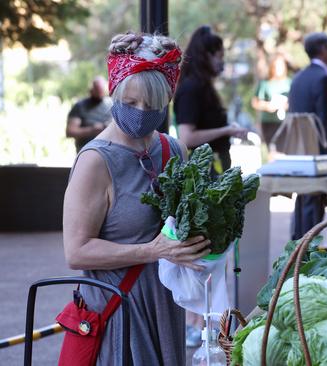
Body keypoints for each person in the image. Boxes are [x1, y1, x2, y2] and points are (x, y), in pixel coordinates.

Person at [62, 32, 212, 365]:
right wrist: (151, 250)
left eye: (153, 105)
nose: (142, 113)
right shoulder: (95, 162)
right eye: (130, 103)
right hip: (118, 313)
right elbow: (76, 252)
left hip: (165, 307)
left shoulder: (171, 149)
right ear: (115, 92)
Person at [174, 25, 248, 173]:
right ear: (206, 55)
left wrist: (227, 129)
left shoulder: (203, 86)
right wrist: (226, 130)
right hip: (204, 172)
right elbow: (187, 138)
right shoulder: (191, 89)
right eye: (219, 57)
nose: (222, 62)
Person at [287, 32, 327, 240]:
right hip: (317, 148)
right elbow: (325, 120)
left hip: (298, 148)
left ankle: (297, 244)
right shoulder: (323, 77)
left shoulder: (298, 78)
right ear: (324, 49)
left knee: (303, 197)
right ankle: (310, 247)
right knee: (315, 198)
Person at [251, 54, 292, 145]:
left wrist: (286, 105)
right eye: (276, 65)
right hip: (269, 122)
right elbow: (255, 102)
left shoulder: (290, 82)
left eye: (281, 65)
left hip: (286, 122)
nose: (279, 68)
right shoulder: (265, 83)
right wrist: (268, 106)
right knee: (272, 149)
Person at [65, 76, 113, 152]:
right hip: (86, 151)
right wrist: (92, 130)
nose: (99, 93)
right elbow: (70, 131)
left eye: (101, 90)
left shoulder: (111, 104)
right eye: (97, 89)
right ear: (91, 90)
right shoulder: (80, 106)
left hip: (109, 151)